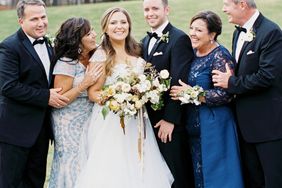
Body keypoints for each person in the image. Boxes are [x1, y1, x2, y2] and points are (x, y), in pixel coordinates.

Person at [74, 7, 174, 188]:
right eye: (113, 22)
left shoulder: (138, 50)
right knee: (113, 170)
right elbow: (93, 93)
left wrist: (142, 94)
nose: (119, 26)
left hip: (137, 121)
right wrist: (118, 99)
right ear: (105, 27)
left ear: (129, 25)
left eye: (123, 22)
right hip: (111, 121)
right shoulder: (101, 55)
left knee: (140, 167)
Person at [170, 11, 244, 188]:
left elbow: (226, 94)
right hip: (193, 126)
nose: (193, 33)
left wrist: (193, 94)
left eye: (199, 30)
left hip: (215, 126)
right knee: (199, 176)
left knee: (218, 176)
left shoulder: (220, 56)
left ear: (212, 34)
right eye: (191, 28)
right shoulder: (193, 54)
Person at [212, 0, 282, 187]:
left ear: (242, 4)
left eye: (227, 4)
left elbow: (267, 76)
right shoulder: (237, 32)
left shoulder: (271, 32)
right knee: (253, 180)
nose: (223, 9)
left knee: (273, 181)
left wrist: (231, 82)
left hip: (268, 125)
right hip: (245, 125)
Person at [0, 0, 69, 187]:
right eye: (34, 19)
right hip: (14, 132)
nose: (41, 23)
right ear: (21, 21)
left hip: (41, 131)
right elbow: (8, 86)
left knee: (35, 182)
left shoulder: (48, 44)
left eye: (43, 17)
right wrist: (46, 96)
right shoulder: (9, 46)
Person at [141, 0, 194, 187]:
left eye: (155, 8)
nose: (150, 13)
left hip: (170, 124)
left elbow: (179, 81)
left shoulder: (179, 39)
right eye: (146, 9)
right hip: (149, 122)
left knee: (177, 174)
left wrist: (171, 119)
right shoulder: (144, 41)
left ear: (166, 10)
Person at [48, 17, 103, 188]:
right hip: (67, 122)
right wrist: (84, 84)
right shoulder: (66, 62)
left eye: (93, 30)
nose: (94, 35)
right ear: (77, 40)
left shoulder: (94, 56)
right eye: (88, 33)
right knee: (72, 162)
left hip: (88, 118)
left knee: (88, 160)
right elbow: (60, 100)